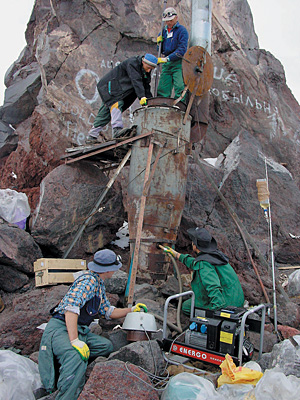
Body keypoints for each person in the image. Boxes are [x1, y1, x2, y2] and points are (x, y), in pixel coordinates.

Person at [38, 249, 147, 400]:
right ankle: (66, 392)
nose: (116, 270)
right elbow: (71, 310)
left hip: (79, 330)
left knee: (106, 346)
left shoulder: (98, 284)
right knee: (76, 356)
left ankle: (74, 370)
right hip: (61, 328)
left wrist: (131, 310)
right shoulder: (88, 282)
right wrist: (75, 341)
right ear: (108, 269)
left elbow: (107, 311)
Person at [163, 227, 244, 314]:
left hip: (226, 305)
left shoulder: (204, 264)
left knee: (186, 307)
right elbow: (195, 263)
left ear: (195, 245)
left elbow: (213, 286)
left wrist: (215, 312)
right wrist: (176, 254)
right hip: (236, 300)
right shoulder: (215, 255)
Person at [86, 54, 158, 144]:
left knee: (105, 113)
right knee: (116, 103)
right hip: (110, 87)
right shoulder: (132, 63)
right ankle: (117, 130)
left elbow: (146, 86)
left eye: (151, 68)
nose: (149, 70)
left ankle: (92, 136)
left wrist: (150, 102)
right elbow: (136, 81)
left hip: (118, 91)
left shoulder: (145, 70)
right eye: (148, 67)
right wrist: (142, 97)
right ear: (143, 62)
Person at [156, 7, 189, 101]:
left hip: (178, 63)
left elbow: (182, 50)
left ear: (176, 18)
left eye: (170, 20)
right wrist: (159, 43)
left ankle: (178, 106)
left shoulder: (182, 31)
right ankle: (163, 106)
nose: (168, 23)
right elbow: (160, 50)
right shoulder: (163, 32)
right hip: (166, 64)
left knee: (179, 87)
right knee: (163, 87)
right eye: (166, 21)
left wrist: (167, 58)